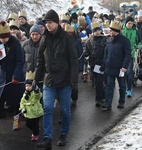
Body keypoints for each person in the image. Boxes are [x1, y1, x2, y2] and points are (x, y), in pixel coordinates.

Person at [34, 9, 78, 149]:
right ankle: (47, 138)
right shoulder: (44, 38)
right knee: (47, 108)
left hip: (64, 80)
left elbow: (73, 60)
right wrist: (36, 78)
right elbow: (40, 59)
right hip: (49, 80)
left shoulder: (67, 38)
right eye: (46, 22)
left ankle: (63, 135)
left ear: (57, 23)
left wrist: (74, 80)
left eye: (50, 22)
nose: (48, 25)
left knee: (65, 109)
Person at [102, 21, 131, 110]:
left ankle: (121, 102)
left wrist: (124, 66)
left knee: (122, 86)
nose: (109, 32)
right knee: (109, 86)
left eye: (111, 31)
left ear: (116, 31)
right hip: (109, 68)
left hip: (120, 68)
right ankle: (108, 103)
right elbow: (106, 52)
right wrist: (105, 62)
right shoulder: (109, 40)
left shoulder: (125, 41)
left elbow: (127, 54)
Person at [0, 21, 25, 118]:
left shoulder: (15, 45)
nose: (3, 40)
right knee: (2, 96)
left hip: (15, 75)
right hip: (3, 75)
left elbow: (20, 62)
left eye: (4, 38)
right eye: (1, 38)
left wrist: (16, 75)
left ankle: (18, 116)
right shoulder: (0, 45)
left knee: (17, 98)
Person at [84, 21, 107, 106]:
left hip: (101, 64)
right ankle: (103, 96)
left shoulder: (105, 39)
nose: (97, 32)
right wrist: (87, 57)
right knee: (97, 82)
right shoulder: (89, 41)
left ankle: (98, 99)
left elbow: (107, 52)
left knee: (99, 82)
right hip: (93, 64)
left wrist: (105, 63)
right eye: (95, 31)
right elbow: (86, 52)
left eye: (98, 30)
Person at [19, 72, 43, 142]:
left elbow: (39, 96)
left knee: (35, 124)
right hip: (29, 113)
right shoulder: (25, 94)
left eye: (29, 86)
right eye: (26, 86)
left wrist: (37, 91)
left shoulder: (34, 93)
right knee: (28, 124)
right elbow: (22, 102)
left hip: (36, 112)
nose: (28, 87)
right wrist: (22, 108)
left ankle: (36, 134)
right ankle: (36, 130)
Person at [122, 16, 141, 97]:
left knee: (129, 72)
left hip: (131, 54)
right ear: (126, 23)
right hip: (121, 55)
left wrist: (138, 46)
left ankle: (129, 89)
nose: (130, 25)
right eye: (129, 23)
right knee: (122, 73)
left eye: (131, 23)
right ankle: (123, 88)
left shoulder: (135, 31)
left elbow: (140, 42)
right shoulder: (121, 30)